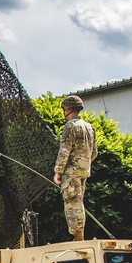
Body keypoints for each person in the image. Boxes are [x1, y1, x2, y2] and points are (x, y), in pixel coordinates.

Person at [53, 95, 97, 241]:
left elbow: (64, 151)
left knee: (73, 204)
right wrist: (84, 164)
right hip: (84, 171)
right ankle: (79, 236)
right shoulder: (90, 127)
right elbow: (94, 152)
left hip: (71, 172)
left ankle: (78, 238)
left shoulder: (70, 127)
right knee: (79, 201)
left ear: (68, 108)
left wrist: (58, 171)